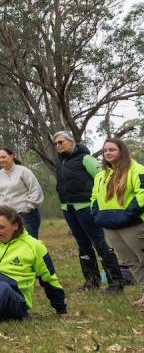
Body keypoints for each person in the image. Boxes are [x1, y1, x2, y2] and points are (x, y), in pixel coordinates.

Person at [54, 131, 124, 292]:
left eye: (61, 142)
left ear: (71, 142)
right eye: (56, 143)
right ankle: (91, 281)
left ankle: (115, 282)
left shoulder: (86, 159)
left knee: (100, 243)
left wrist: (99, 204)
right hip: (68, 209)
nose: (58, 145)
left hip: (87, 208)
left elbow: (103, 180)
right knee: (82, 245)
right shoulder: (60, 163)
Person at [90, 138, 144, 305]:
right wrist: (96, 213)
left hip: (132, 224)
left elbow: (142, 193)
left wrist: (128, 214)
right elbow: (94, 197)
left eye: (112, 149)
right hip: (109, 226)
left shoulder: (137, 169)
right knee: (130, 261)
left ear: (122, 151)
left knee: (142, 257)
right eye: (105, 150)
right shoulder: (101, 175)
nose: (108, 153)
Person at [0, 148, 44, 238]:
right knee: (11, 244)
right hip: (6, 217)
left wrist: (29, 207)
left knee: (29, 243)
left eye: (3, 157)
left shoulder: (23, 171)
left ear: (11, 156)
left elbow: (35, 189)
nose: (1, 160)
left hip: (25, 215)